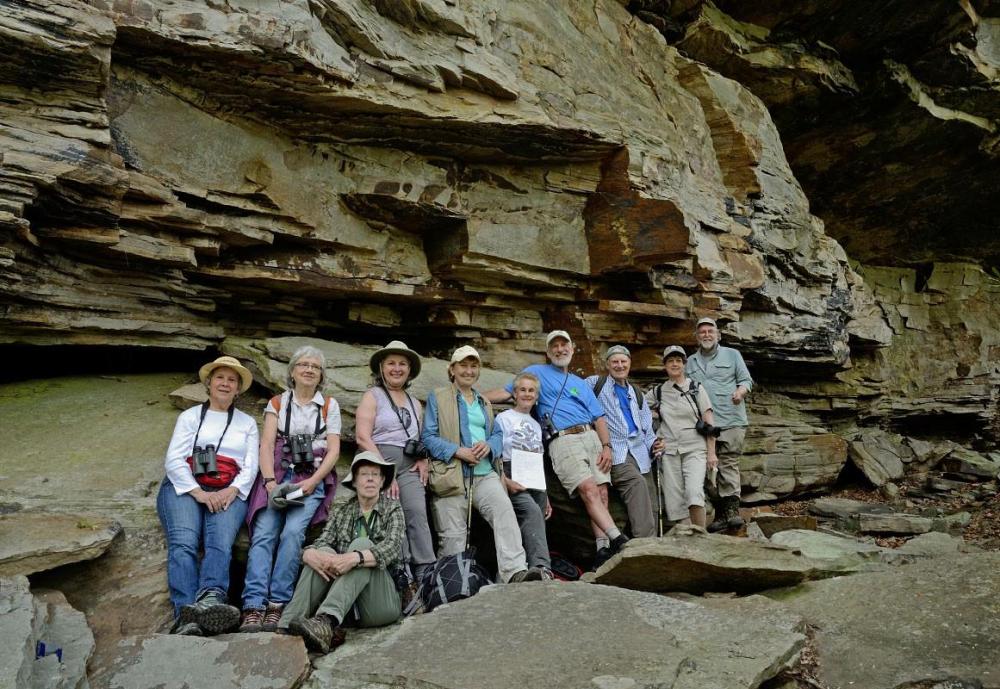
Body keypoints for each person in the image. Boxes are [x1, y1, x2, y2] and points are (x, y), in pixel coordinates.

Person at [486, 330, 627, 568]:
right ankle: (619, 539)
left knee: (602, 493)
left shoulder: (579, 383)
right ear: (548, 352)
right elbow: (507, 391)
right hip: (563, 438)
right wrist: (471, 397)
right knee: (589, 489)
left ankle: (602, 549)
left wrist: (607, 446)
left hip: (590, 436)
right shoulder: (536, 372)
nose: (560, 350)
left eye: (564, 345)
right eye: (555, 346)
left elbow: (599, 417)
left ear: (572, 349)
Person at [240, 345, 341, 632]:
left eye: (315, 366)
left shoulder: (328, 405)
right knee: (264, 533)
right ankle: (253, 604)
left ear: (321, 375)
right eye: (303, 365)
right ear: (293, 371)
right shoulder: (277, 403)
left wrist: (312, 482)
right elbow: (267, 444)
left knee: (293, 533)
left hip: (310, 477)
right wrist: (270, 482)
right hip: (278, 476)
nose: (309, 370)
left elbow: (333, 450)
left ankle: (277, 604)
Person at [157, 355, 259, 636]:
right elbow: (174, 460)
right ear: (209, 383)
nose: (225, 384)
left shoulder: (247, 423)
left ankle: (211, 599)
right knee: (183, 543)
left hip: (229, 488)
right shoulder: (189, 417)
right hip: (186, 487)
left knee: (220, 543)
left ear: (238, 388)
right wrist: (199, 493)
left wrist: (233, 489)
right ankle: (185, 613)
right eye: (220, 378)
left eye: (232, 380)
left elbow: (251, 465)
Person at [422, 346, 540, 583]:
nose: (468, 371)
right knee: (452, 537)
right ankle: (450, 585)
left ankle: (514, 572)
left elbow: (496, 434)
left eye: (473, 366)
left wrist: (489, 446)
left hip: (485, 474)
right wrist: (458, 451)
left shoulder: (483, 402)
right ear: (452, 369)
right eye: (463, 365)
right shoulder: (439, 396)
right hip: (451, 476)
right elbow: (428, 437)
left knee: (504, 512)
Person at [279, 452, 404, 654]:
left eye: (375, 474)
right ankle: (287, 625)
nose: (370, 478)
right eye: (364, 474)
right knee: (323, 552)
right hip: (348, 604)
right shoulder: (342, 511)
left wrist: (355, 557)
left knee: (362, 544)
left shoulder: (393, 509)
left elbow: (392, 548)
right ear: (354, 481)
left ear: (382, 481)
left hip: (380, 603)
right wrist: (309, 554)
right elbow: (323, 541)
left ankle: (326, 621)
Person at [355, 340, 435, 584]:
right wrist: (384, 472)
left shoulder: (414, 402)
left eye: (402, 364)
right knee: (392, 513)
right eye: (391, 363)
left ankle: (425, 570)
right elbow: (362, 436)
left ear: (410, 370)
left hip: (409, 464)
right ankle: (401, 572)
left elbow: (420, 438)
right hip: (380, 462)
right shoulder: (373, 396)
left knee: (417, 511)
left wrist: (424, 459)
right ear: (381, 368)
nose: (396, 368)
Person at [685, 317, 753, 532]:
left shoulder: (733, 355)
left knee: (728, 464)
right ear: (697, 337)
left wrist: (740, 392)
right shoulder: (690, 362)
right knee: (706, 469)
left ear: (718, 335)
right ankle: (721, 512)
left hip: (731, 420)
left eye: (710, 331)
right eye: (702, 332)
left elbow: (746, 381)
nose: (706, 334)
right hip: (703, 425)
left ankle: (731, 512)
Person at [585, 345, 660, 539]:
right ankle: (644, 545)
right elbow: (572, 390)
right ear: (607, 365)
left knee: (652, 500)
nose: (619, 365)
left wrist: (655, 444)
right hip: (616, 451)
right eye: (615, 362)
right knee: (636, 484)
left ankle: (651, 545)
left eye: (623, 361)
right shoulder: (596, 383)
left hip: (640, 451)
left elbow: (647, 429)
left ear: (629, 364)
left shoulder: (636, 393)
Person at [646, 346, 718, 528]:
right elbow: (638, 409)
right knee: (676, 503)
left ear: (684, 364)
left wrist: (711, 453)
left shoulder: (696, 388)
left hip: (695, 449)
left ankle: (701, 536)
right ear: (665, 365)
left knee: (694, 493)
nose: (674, 364)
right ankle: (686, 545)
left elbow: (709, 423)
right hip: (669, 451)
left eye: (678, 360)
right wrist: (654, 424)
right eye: (670, 361)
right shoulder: (658, 392)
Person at [490, 371, 553, 576]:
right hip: (511, 470)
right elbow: (496, 453)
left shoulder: (536, 425)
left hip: (534, 475)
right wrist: (504, 479)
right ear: (514, 394)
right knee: (530, 512)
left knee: (536, 520)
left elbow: (539, 457)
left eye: (531, 391)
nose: (527, 394)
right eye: (522, 390)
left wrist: (547, 496)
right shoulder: (503, 418)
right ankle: (542, 566)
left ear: (536, 397)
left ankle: (523, 570)